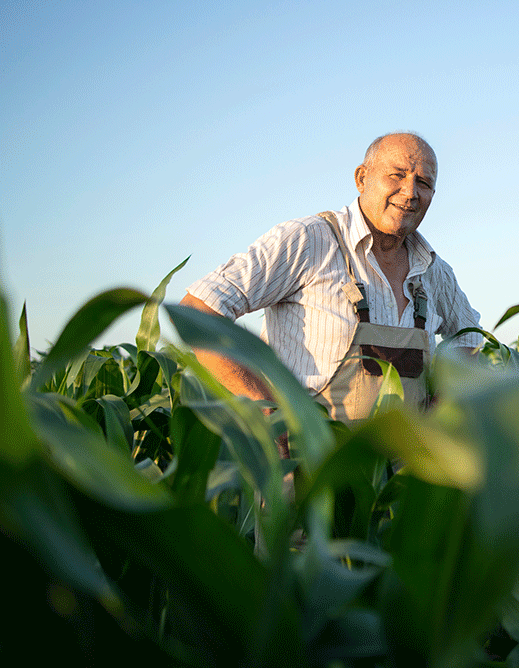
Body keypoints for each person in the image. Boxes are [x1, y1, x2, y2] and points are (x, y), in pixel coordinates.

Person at [180, 132, 483, 448]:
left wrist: (446, 402)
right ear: (361, 178)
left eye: (423, 182)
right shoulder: (309, 241)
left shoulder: (433, 270)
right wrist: (260, 404)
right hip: (308, 467)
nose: (410, 192)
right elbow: (198, 310)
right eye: (397, 175)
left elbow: (470, 338)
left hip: (401, 473)